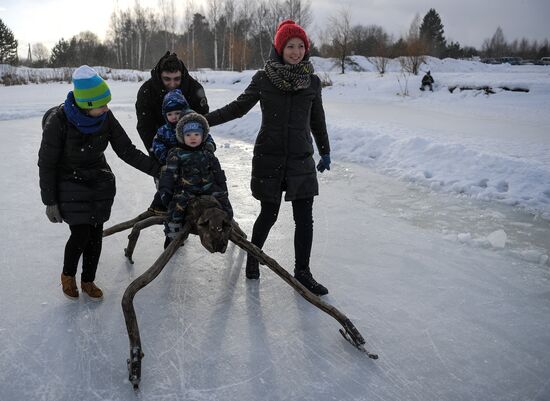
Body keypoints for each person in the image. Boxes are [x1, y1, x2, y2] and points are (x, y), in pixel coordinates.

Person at [205, 20, 331, 296]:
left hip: (300, 158)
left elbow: (317, 120)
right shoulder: (264, 79)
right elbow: (238, 108)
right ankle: (254, 256)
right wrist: (205, 120)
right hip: (269, 157)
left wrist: (326, 150)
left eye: (300, 46)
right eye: (290, 46)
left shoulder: (311, 82)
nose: (296, 51)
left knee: (304, 218)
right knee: (269, 213)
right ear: (279, 48)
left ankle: (303, 272)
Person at [38, 65, 161, 300]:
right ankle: (68, 275)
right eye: (102, 104)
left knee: (95, 234)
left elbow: (127, 150)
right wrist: (50, 201)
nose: (107, 108)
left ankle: (88, 280)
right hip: (69, 183)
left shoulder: (105, 117)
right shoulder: (59, 122)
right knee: (81, 233)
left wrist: (158, 170)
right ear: (87, 104)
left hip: (98, 182)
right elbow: (47, 164)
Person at [136, 51, 212, 213]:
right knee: (168, 191)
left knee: (197, 187)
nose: (172, 83)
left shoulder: (194, 88)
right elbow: (145, 127)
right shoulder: (147, 91)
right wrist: (159, 155)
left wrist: (201, 150)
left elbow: (203, 122)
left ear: (182, 75)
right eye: (167, 79)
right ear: (159, 75)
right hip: (162, 145)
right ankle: (172, 224)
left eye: (176, 79)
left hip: (192, 146)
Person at [158, 112, 233, 248]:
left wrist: (223, 189)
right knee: (176, 207)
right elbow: (169, 175)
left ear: (203, 135)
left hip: (208, 187)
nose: (193, 138)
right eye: (188, 135)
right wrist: (165, 193)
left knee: (224, 201)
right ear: (182, 136)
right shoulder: (177, 154)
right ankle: (172, 233)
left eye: (196, 134)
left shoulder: (207, 153)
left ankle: (227, 223)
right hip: (186, 190)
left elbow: (218, 173)